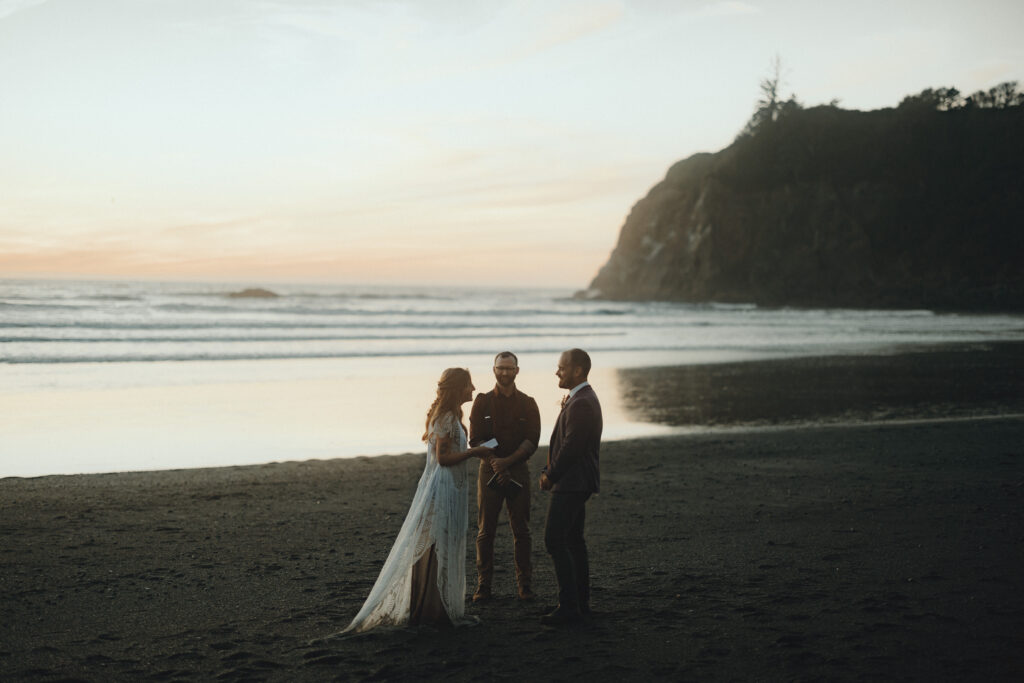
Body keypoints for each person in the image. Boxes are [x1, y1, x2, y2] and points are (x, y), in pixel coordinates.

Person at [341, 368, 492, 633]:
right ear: (459, 388)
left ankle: (436, 607)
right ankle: (430, 609)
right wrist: (475, 452)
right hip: (442, 486)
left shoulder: (453, 415)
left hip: (453, 486)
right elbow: (443, 459)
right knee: (435, 544)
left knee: (443, 541)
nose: (474, 388)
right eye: (469, 384)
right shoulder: (445, 418)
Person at [468, 351, 541, 602]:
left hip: (518, 469)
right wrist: (495, 463)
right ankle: (483, 586)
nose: (505, 372)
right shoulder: (482, 402)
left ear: (517, 371)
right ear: (494, 370)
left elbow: (532, 440)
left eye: (509, 368)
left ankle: (525, 585)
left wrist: (507, 463)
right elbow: (474, 439)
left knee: (521, 531)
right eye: (501, 368)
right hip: (489, 470)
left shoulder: (528, 402)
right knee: (485, 531)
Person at [539, 348, 602, 626]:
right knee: (574, 541)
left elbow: (572, 447)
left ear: (577, 370)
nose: (557, 371)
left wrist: (550, 475)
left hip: (572, 482)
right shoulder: (581, 398)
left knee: (555, 540)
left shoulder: (581, 403)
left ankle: (569, 606)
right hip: (576, 481)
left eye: (561, 367)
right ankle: (580, 603)